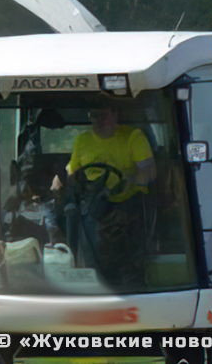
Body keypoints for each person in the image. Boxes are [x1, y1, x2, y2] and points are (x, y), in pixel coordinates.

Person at [51, 104, 155, 287]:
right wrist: (59, 181)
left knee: (96, 221)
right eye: (93, 115)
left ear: (115, 114)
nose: (98, 120)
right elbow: (72, 170)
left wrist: (130, 179)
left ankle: (121, 276)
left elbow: (149, 172)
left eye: (103, 114)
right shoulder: (82, 140)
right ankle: (75, 268)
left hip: (126, 204)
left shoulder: (133, 137)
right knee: (65, 212)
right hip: (90, 203)